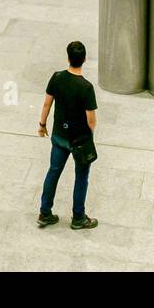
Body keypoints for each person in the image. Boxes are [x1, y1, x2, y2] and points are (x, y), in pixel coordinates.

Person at [37, 40, 99, 230]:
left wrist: (42, 124)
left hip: (59, 136)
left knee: (53, 172)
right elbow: (91, 120)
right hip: (79, 141)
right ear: (84, 59)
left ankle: (45, 212)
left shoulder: (57, 77)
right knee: (81, 177)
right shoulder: (86, 87)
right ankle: (78, 217)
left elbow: (47, 103)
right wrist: (90, 136)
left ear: (68, 58)